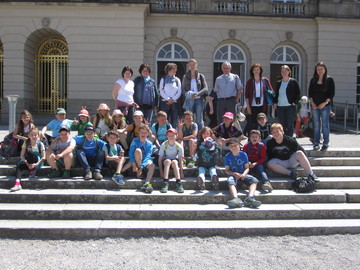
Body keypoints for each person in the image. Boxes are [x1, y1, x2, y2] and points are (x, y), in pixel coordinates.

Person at [224, 138, 261, 208]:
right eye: (231, 146)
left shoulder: (243, 155)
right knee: (230, 181)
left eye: (235, 145)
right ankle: (235, 198)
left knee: (254, 181)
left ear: (239, 146)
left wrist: (244, 174)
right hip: (233, 174)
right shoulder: (227, 156)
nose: (233, 147)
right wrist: (234, 174)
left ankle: (250, 197)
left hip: (242, 174)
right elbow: (227, 170)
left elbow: (247, 168)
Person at [308, 61, 335, 151]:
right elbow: (310, 93)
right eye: (318, 69)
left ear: (325, 69)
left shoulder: (330, 80)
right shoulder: (313, 80)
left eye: (321, 69)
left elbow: (331, 94)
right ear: (316, 70)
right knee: (316, 125)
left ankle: (325, 143)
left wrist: (324, 103)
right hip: (315, 106)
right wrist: (312, 103)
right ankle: (316, 143)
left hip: (325, 106)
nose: (320, 71)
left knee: (325, 125)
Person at [245, 63, 274, 132]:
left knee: (263, 123)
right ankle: (253, 139)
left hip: (263, 105)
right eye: (254, 70)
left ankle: (264, 137)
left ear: (260, 71)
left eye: (258, 69)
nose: (256, 71)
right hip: (253, 106)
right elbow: (247, 96)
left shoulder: (265, 80)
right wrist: (248, 107)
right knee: (253, 124)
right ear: (252, 71)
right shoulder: (249, 82)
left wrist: (273, 103)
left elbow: (271, 91)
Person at [273, 65, 300, 137]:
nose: (284, 73)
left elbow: (298, 93)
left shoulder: (293, 82)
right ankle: (283, 139)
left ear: (289, 72)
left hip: (290, 106)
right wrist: (275, 102)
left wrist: (295, 102)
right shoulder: (279, 82)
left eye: (285, 71)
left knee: (290, 124)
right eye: (282, 71)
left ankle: (290, 139)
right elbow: (277, 93)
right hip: (280, 106)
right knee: (282, 125)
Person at [182, 59, 208, 130]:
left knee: (199, 119)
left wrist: (197, 94)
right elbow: (183, 89)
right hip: (189, 100)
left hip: (199, 99)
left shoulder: (201, 76)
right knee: (189, 118)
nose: (192, 66)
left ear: (196, 65)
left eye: (193, 65)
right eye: (190, 65)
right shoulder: (185, 77)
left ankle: (200, 135)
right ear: (188, 66)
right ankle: (190, 133)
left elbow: (205, 88)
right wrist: (188, 95)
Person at [128, 124, 155, 193]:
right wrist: (134, 164)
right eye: (141, 132)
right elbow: (131, 152)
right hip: (137, 158)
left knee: (152, 165)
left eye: (145, 133)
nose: (143, 134)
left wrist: (141, 167)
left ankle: (147, 183)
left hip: (145, 160)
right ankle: (139, 172)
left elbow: (148, 156)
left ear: (148, 133)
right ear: (138, 132)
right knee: (137, 150)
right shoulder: (135, 140)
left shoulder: (149, 143)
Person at [158, 128, 185, 193]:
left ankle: (178, 182)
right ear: (167, 136)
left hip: (174, 160)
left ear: (176, 136)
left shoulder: (178, 146)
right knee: (168, 161)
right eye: (169, 135)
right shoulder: (164, 145)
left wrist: (181, 172)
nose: (171, 137)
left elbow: (180, 160)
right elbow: (160, 159)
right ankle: (165, 182)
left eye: (173, 135)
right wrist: (161, 171)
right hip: (166, 160)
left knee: (174, 162)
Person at [196, 127, 220, 191]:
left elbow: (197, 151)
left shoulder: (199, 143)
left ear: (210, 134)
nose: (206, 135)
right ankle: (214, 180)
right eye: (204, 133)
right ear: (201, 134)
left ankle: (201, 181)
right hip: (212, 162)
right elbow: (218, 152)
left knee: (201, 171)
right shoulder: (214, 143)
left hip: (202, 162)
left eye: (207, 133)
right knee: (212, 170)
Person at [159, 63, 182, 128]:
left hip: (174, 103)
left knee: (174, 121)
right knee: (164, 120)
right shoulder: (163, 79)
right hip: (165, 102)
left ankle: (174, 134)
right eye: (173, 69)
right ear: (168, 70)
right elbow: (161, 90)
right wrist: (168, 99)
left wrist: (173, 99)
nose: (175, 71)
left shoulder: (177, 80)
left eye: (175, 69)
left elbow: (179, 91)